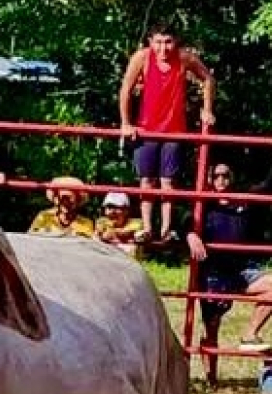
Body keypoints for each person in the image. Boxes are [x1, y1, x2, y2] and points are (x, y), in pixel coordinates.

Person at [186, 160, 272, 382]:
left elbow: (268, 186)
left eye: (225, 176)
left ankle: (250, 334)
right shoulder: (204, 203)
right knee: (211, 328)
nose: (221, 180)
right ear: (210, 180)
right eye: (216, 176)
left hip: (241, 270)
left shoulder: (243, 200)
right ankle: (211, 378)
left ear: (232, 178)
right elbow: (184, 220)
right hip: (213, 272)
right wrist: (190, 234)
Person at [118, 26, 216, 242]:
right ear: (151, 41)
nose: (163, 48)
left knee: (168, 181)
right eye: (159, 42)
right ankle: (146, 227)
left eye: (168, 42)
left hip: (174, 130)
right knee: (146, 180)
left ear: (176, 42)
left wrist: (207, 109)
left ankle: (166, 229)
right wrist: (126, 123)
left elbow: (207, 78)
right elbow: (126, 88)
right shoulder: (142, 57)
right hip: (146, 129)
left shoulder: (185, 58)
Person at [27, 176, 97, 237]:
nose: (66, 203)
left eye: (69, 199)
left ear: (77, 201)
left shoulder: (86, 223)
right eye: (62, 198)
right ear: (56, 199)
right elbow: (31, 239)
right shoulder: (44, 217)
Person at [96, 190, 147, 255]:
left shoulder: (136, 223)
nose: (112, 211)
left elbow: (131, 234)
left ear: (126, 210)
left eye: (116, 207)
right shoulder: (102, 221)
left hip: (127, 259)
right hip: (107, 255)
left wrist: (115, 233)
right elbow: (97, 238)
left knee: (134, 245)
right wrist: (102, 237)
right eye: (109, 207)